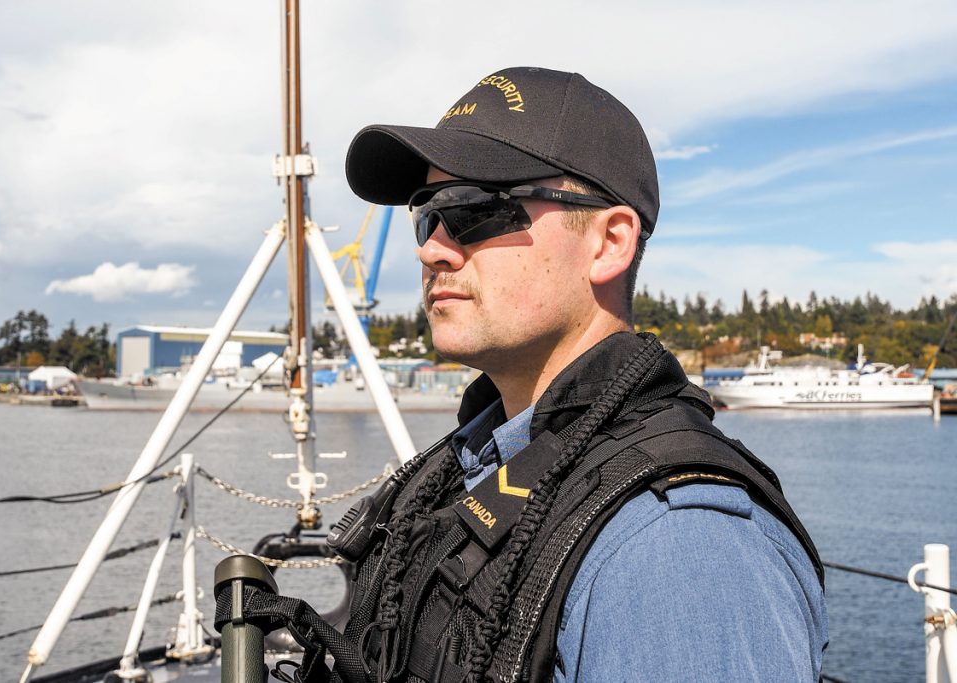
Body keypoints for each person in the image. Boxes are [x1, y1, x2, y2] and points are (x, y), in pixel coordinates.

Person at [334, 66, 828, 682]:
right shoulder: (478, 465)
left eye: (472, 210)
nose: (431, 248)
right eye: (426, 214)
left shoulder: (678, 550)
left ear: (610, 242)